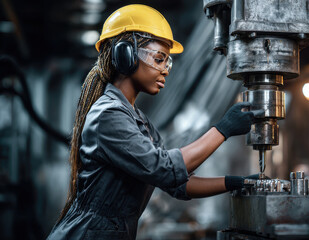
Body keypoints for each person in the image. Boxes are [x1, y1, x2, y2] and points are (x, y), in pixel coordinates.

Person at [47, 4, 260, 240]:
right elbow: (166, 170)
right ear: (125, 56)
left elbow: (178, 184)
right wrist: (223, 129)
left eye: (167, 62)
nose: (166, 70)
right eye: (159, 59)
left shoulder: (139, 122)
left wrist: (237, 183)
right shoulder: (108, 116)